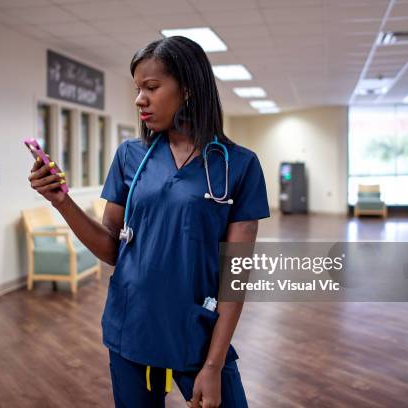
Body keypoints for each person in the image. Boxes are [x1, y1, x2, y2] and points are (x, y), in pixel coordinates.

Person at [28, 36, 270, 407]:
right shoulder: (131, 156)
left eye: (152, 87)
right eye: (138, 88)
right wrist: (63, 202)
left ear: (187, 88)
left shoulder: (238, 165)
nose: (140, 98)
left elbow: (234, 280)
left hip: (197, 334)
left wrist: (213, 365)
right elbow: (112, 247)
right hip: (133, 327)